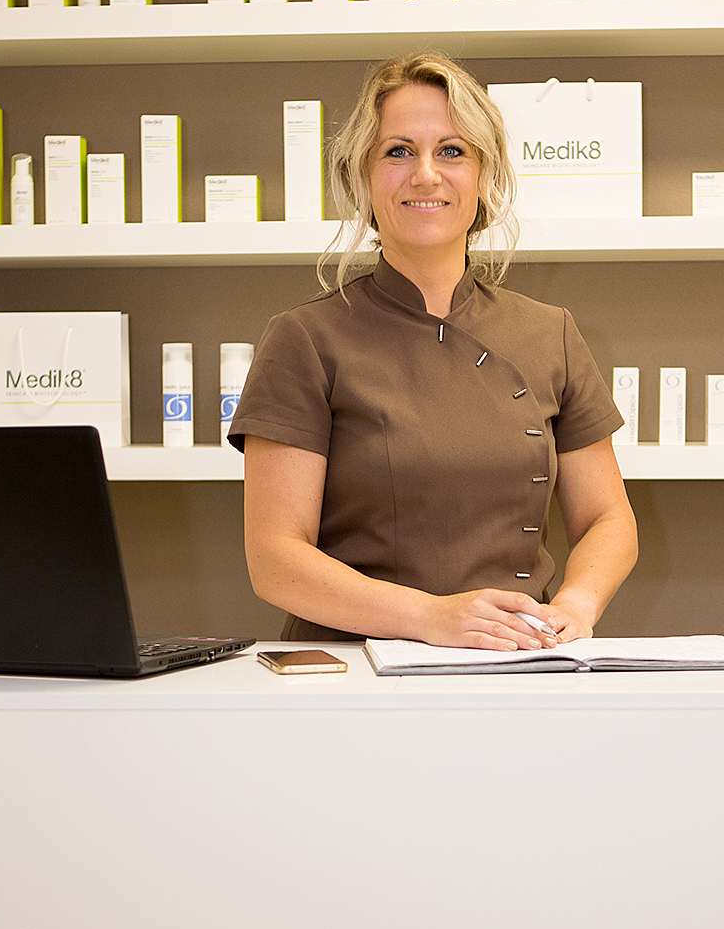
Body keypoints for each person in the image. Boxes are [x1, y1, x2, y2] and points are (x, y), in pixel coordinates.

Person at [229, 53, 637, 651]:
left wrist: (576, 604)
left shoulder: (549, 333)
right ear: (363, 177)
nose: (426, 175)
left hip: (515, 660)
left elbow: (608, 518)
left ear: (484, 174)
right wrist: (430, 618)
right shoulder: (305, 339)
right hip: (352, 669)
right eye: (398, 151)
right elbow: (274, 559)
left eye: (452, 151)